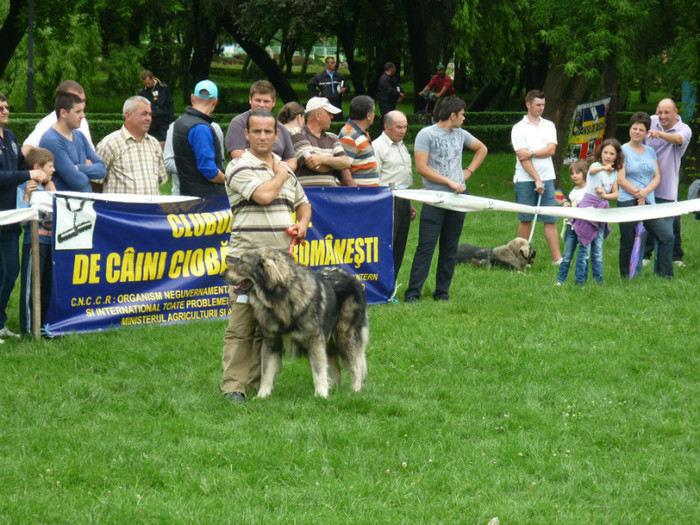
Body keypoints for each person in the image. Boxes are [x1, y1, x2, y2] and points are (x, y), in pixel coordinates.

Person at [221, 110, 311, 403]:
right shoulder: (238, 166)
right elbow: (263, 196)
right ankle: (234, 387)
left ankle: (256, 382)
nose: (262, 137)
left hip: (279, 266)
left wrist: (303, 224)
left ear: (277, 135)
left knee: (267, 327)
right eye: (256, 132)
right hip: (246, 265)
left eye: (267, 132)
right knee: (241, 327)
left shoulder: (286, 170)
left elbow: (303, 203)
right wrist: (282, 172)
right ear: (246, 135)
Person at [404, 96, 488, 302]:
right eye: (462, 114)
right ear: (452, 115)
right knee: (426, 246)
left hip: (459, 198)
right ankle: (413, 293)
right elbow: (422, 167)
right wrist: (449, 182)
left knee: (450, 247)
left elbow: (482, 149)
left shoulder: (461, 134)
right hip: (435, 198)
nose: (464, 118)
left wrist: (467, 172)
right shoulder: (426, 134)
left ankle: (442, 293)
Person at [0, 93, 50, 341]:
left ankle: (0, 323)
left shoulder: (10, 138)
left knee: (10, 272)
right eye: (1, 108)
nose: (6, 111)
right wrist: (27, 174)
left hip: (11, 217)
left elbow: (21, 169)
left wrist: (38, 175)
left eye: (7, 106)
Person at [618, 112, 674, 279]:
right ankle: (626, 276)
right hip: (627, 200)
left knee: (667, 236)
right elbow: (621, 179)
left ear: (646, 132)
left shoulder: (650, 151)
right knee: (628, 239)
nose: (636, 132)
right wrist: (637, 194)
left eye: (641, 130)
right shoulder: (622, 150)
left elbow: (657, 177)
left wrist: (645, 192)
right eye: (634, 128)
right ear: (630, 129)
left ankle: (665, 276)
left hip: (648, 200)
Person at [512, 89, 562, 264]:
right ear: (528, 105)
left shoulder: (548, 125)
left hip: (547, 177)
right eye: (538, 105)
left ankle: (558, 260)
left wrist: (532, 153)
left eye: (543, 105)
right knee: (526, 218)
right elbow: (522, 158)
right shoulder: (518, 128)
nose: (541, 108)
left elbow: (551, 150)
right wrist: (536, 178)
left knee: (550, 219)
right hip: (525, 179)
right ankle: (521, 259)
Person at [642, 98, 693, 267]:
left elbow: (678, 139)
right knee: (645, 222)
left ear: (675, 112)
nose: (662, 116)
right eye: (659, 112)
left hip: (667, 186)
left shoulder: (684, 129)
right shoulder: (651, 121)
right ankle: (644, 255)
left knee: (669, 227)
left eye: (667, 112)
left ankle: (670, 260)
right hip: (645, 186)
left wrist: (660, 134)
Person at [372, 110, 416, 281]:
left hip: (404, 198)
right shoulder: (377, 147)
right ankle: (380, 282)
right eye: (399, 127)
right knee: (386, 244)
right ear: (387, 126)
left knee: (400, 244)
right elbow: (374, 179)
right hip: (386, 200)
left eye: (405, 127)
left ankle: (392, 283)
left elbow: (403, 177)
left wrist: (410, 202)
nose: (403, 131)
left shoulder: (401, 145)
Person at [16, 148, 56, 334]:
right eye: (50, 166)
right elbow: (21, 218)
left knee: (47, 284)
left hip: (50, 244)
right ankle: (29, 326)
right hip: (34, 243)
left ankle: (45, 325)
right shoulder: (24, 187)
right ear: (37, 167)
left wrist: (54, 193)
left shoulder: (50, 188)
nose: (53, 170)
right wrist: (26, 196)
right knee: (31, 286)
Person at [571, 139, 621, 285]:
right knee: (584, 249)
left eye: (612, 153)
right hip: (588, 208)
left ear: (617, 156)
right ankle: (580, 282)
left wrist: (605, 196)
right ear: (601, 153)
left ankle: (599, 281)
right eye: (605, 152)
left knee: (598, 249)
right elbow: (592, 171)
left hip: (602, 210)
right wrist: (603, 168)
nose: (608, 156)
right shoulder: (596, 166)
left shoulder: (614, 173)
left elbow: (616, 194)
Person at [95, 96, 167, 195]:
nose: (149, 118)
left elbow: (157, 179)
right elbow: (95, 183)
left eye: (150, 114)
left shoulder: (154, 144)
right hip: (120, 210)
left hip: (150, 209)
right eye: (144, 114)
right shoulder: (110, 144)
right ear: (128, 115)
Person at [39, 92, 106, 192]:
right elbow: (77, 181)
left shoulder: (79, 136)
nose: (83, 116)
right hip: (65, 205)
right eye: (78, 112)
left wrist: (79, 168)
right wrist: (89, 172)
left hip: (83, 204)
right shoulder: (51, 141)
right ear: (63, 113)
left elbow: (102, 170)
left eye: (83, 111)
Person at [225, 80, 297, 171]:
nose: (262, 105)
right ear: (250, 99)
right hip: (249, 176)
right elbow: (238, 156)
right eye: (258, 100)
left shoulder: (281, 128)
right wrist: (270, 169)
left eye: (266, 101)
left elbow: (292, 160)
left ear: (274, 102)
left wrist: (282, 171)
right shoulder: (239, 123)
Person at [172, 80, 226, 198]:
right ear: (215, 101)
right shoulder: (201, 128)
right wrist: (228, 180)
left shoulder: (180, 121)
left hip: (187, 193)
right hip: (206, 199)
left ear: (192, 98)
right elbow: (209, 171)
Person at [290, 97, 352, 187]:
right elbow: (315, 165)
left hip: (329, 197)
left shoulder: (333, 137)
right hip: (306, 197)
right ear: (318, 115)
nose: (332, 116)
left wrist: (322, 159)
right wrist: (335, 164)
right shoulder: (297, 133)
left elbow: (346, 163)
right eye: (329, 113)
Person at [22, 80, 93, 157]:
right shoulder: (49, 122)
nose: (82, 104)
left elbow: (93, 155)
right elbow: (25, 150)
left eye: (83, 100)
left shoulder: (83, 121)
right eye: (77, 100)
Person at [163, 119, 225, 196]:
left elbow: (221, 162)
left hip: (213, 195)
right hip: (183, 196)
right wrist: (204, 169)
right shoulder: (176, 127)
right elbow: (168, 162)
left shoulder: (215, 128)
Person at [556, 160, 588, 285]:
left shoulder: (589, 190)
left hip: (584, 227)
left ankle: (580, 282)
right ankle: (560, 280)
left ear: (585, 173)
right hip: (572, 226)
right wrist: (567, 205)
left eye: (578, 172)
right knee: (566, 255)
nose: (574, 176)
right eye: (572, 173)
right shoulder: (573, 191)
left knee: (583, 256)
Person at [338, 95, 379, 186]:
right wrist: (356, 193)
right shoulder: (349, 136)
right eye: (374, 112)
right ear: (368, 116)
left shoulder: (357, 133)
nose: (374, 115)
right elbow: (343, 169)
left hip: (364, 196)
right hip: (359, 197)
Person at [307, 56, 348, 121]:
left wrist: (344, 89)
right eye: (332, 63)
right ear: (327, 64)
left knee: (339, 120)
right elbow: (310, 85)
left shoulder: (339, 76)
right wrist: (318, 93)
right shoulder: (319, 77)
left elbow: (346, 85)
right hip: (326, 103)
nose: (334, 64)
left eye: (334, 63)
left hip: (337, 103)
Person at [139, 70, 175, 143]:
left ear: (153, 78)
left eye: (148, 83)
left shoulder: (164, 87)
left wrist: (171, 121)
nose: (147, 85)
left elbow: (170, 104)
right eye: (145, 84)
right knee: (149, 142)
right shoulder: (142, 92)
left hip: (163, 120)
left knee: (165, 142)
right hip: (151, 121)